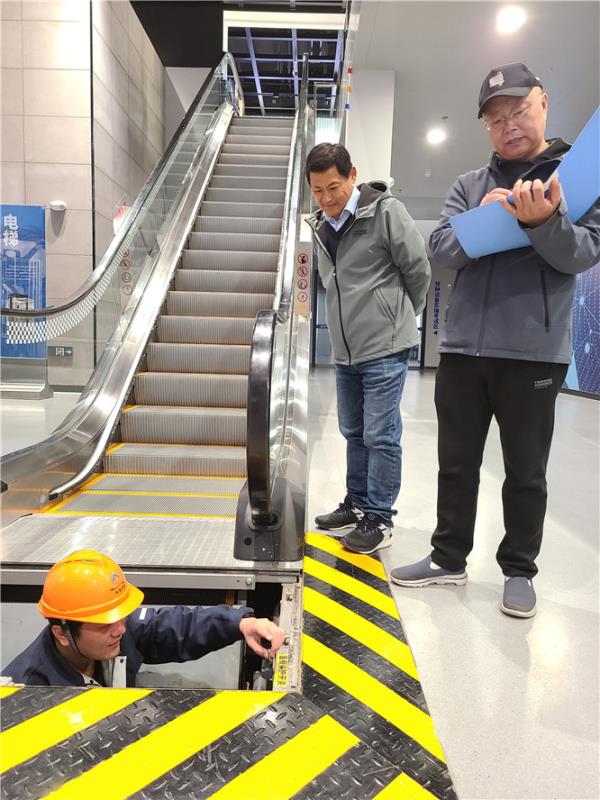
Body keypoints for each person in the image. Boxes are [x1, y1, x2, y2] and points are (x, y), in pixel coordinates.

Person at [390, 63, 600, 617]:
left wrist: (543, 222)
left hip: (533, 355)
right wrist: (476, 223)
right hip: (462, 350)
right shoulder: (469, 186)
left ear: (544, 103)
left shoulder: (577, 182)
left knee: (525, 471)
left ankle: (519, 570)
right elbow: (439, 250)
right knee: (455, 463)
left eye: (519, 111)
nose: (509, 126)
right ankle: (447, 557)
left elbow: (581, 254)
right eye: (495, 119)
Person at [306, 143, 431, 555]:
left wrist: (396, 318)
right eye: (318, 190)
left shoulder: (386, 212)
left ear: (353, 176)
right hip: (345, 351)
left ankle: (379, 516)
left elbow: (418, 270)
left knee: (381, 434)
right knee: (354, 432)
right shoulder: (320, 225)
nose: (326, 198)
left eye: (334, 187)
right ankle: (357, 504)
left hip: (384, 347)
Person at [2, 549, 284, 686]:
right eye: (105, 624)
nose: (120, 629)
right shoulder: (26, 689)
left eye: (122, 616)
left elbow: (175, 626)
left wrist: (241, 623)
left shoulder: (119, 632)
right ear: (62, 633)